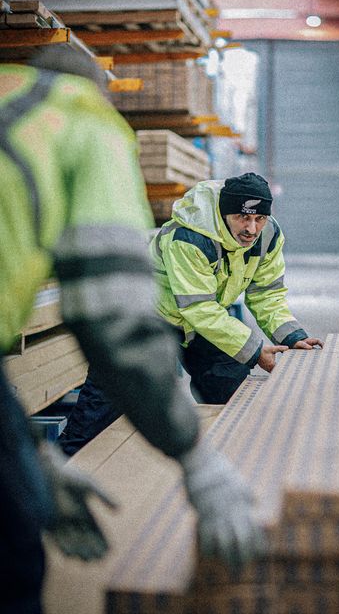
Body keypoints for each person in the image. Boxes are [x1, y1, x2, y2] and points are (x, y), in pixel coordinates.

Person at [0, 46, 262, 614]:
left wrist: (25, 450)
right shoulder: (85, 123)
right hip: (171, 324)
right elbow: (115, 324)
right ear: (99, 89)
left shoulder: (8, 96)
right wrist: (196, 460)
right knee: (13, 566)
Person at [60, 173, 323, 453]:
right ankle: (63, 465)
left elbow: (266, 294)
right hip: (147, 317)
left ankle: (237, 458)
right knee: (100, 407)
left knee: (232, 391)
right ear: (224, 213)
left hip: (200, 324)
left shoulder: (268, 237)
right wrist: (257, 351)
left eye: (260, 218)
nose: (251, 228)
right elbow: (198, 306)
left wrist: (293, 336)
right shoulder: (190, 236)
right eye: (242, 218)